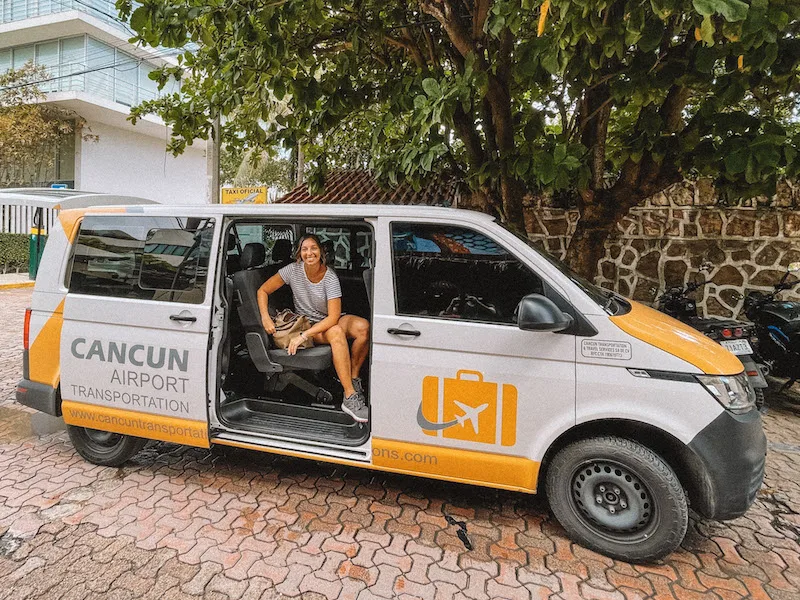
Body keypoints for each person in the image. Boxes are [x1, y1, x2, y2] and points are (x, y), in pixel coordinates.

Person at [257, 234, 370, 423]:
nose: (309, 252)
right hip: (309, 323)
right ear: (300, 254)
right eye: (305, 249)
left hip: (326, 321)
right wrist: (265, 317)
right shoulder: (292, 271)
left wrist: (303, 336)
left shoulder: (330, 277)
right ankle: (350, 396)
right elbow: (263, 290)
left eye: (314, 248)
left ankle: (354, 378)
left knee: (363, 328)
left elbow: (334, 317)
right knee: (336, 333)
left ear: (321, 252)